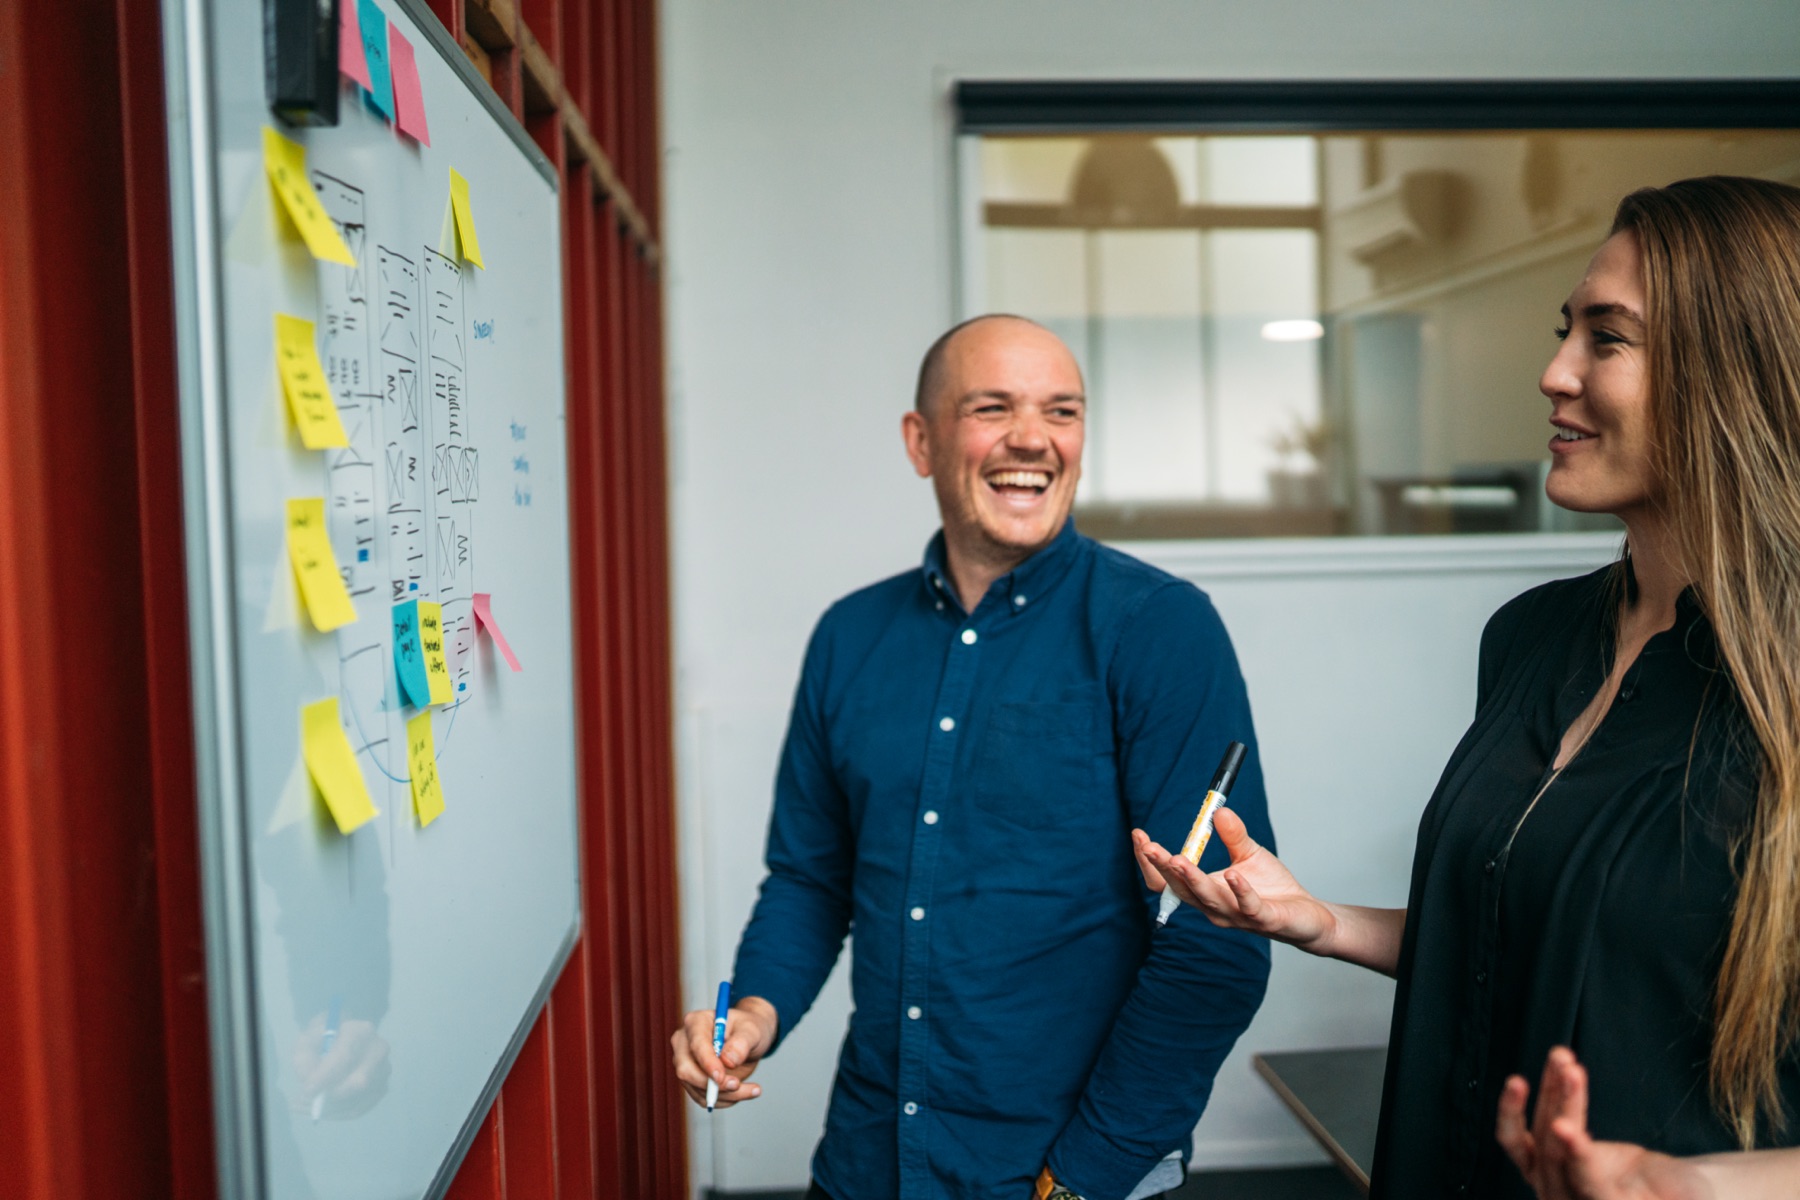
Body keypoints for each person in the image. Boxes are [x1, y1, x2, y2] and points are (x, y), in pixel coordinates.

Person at [1137, 175, 1800, 1199]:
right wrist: (1319, 920)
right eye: (1564, 331)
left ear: (1737, 372)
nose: (1553, 372)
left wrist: (1690, 1187)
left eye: (1606, 339)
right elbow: (1528, 926)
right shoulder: (1534, 637)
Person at [670, 315, 1275, 1200]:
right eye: (992, 408)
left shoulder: (1159, 630)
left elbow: (1217, 937)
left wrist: (1085, 1176)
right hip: (867, 1161)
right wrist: (756, 1010)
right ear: (921, 441)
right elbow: (809, 878)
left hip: (1061, 1170)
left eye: (1061, 412)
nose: (1032, 439)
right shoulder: (848, 638)